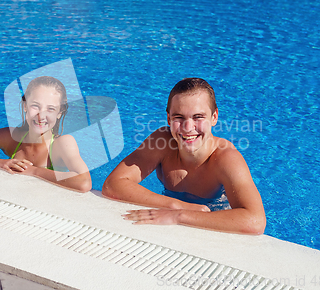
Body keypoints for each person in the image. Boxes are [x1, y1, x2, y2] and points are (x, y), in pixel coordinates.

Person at [102, 78, 265, 234]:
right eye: (179, 118)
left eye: (198, 117)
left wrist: (180, 216)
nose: (188, 128)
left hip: (216, 220)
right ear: (168, 118)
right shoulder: (162, 142)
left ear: (214, 117)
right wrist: (175, 206)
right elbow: (112, 185)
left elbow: (255, 221)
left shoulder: (225, 158)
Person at [0, 76, 91, 193]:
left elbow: (83, 182)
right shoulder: (10, 137)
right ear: (25, 106)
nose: (41, 115)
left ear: (59, 113)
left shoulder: (61, 144)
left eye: (50, 109)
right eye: (35, 106)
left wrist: (34, 171)